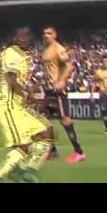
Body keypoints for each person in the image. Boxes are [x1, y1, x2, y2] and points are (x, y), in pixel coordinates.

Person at [0, 27, 54, 183]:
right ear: (15, 38)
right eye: (21, 36)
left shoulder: (25, 55)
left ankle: (27, 170)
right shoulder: (12, 53)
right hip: (8, 106)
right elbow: (12, 80)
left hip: (19, 107)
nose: (24, 39)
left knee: (47, 132)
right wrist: (31, 96)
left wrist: (34, 89)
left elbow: (21, 81)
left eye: (27, 36)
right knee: (23, 147)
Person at [41, 26, 85, 163]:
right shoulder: (46, 49)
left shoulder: (58, 48)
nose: (46, 35)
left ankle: (79, 152)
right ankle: (52, 150)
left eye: (49, 33)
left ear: (55, 35)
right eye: (44, 33)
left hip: (57, 91)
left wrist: (62, 81)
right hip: (48, 90)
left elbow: (70, 65)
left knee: (65, 120)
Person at [91, 56, 107, 135]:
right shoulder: (98, 72)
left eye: (106, 61)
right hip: (103, 94)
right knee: (104, 111)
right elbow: (94, 83)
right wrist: (92, 93)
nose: (105, 63)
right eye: (103, 61)